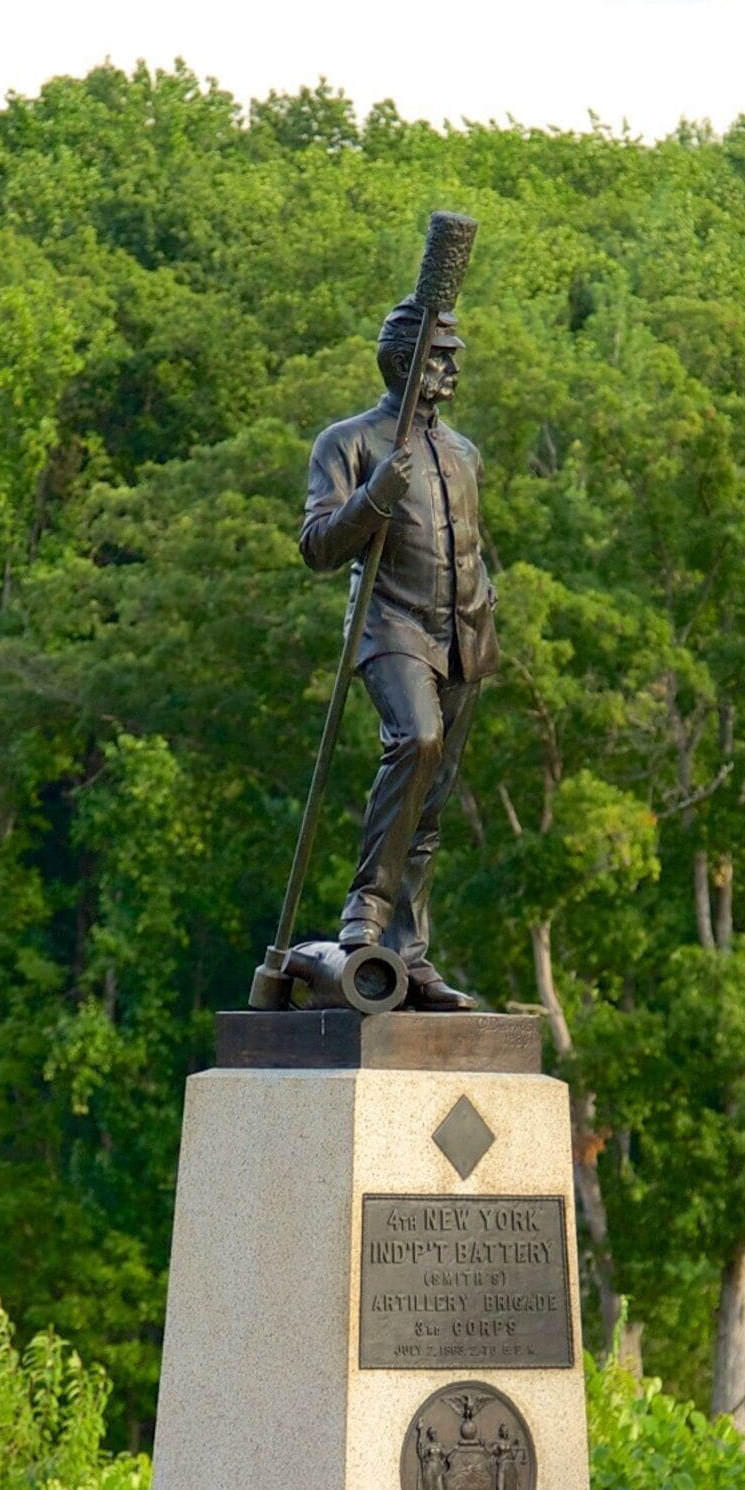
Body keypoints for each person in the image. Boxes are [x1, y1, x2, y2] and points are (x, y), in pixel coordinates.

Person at [298, 295, 496, 1013]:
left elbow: (469, 543)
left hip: (465, 632)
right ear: (402, 360)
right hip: (392, 628)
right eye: (438, 357)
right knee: (416, 741)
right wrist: (375, 498)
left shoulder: (464, 451)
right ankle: (366, 912)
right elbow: (319, 547)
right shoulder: (348, 442)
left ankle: (410, 953)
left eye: (453, 357)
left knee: (433, 799)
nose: (450, 370)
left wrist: (487, 600)